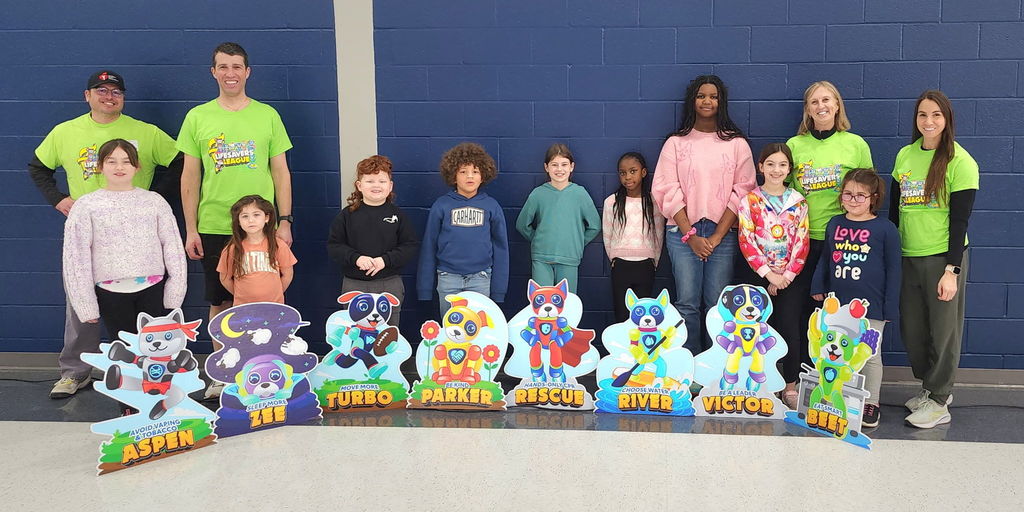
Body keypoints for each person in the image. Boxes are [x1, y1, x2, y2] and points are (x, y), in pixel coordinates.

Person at [29, 70, 182, 399]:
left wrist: (153, 196)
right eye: (101, 90)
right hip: (89, 229)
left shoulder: (145, 132)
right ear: (88, 95)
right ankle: (75, 371)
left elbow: (180, 161)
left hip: (136, 236)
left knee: (141, 311)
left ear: (123, 97)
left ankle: (149, 374)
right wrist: (58, 199)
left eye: (116, 92)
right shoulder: (65, 132)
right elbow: (38, 167)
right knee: (80, 301)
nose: (109, 96)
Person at [176, 42, 295, 398]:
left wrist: (285, 220)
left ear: (248, 72)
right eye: (223, 67)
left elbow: (281, 171)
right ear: (213, 72)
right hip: (214, 224)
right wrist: (191, 228)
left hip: (263, 227)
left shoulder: (267, 115)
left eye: (237, 66)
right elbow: (190, 176)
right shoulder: (197, 117)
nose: (231, 73)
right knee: (221, 300)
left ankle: (264, 367)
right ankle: (223, 372)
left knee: (264, 298)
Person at [892, 90, 979, 429]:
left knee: (943, 332)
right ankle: (929, 388)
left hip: (942, 258)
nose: (929, 121)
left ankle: (940, 399)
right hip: (908, 257)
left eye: (936, 115)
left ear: (947, 120)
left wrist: (951, 270)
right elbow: (895, 214)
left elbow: (960, 221)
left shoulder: (961, 161)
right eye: (922, 115)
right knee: (913, 330)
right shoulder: (905, 155)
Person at [652, 75, 756, 354]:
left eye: (713, 96)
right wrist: (691, 235)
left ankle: (716, 365)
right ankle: (689, 365)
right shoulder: (676, 143)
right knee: (686, 303)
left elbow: (743, 190)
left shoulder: (737, 144)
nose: (707, 101)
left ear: (721, 101)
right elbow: (665, 188)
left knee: (718, 304)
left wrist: (718, 236)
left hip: (723, 233)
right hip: (683, 233)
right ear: (692, 100)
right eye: (701, 96)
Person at [62, 139, 187, 366]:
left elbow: (173, 247)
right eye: (112, 161)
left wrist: (175, 292)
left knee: (157, 351)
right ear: (100, 166)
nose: (119, 167)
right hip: (110, 291)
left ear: (137, 166)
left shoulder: (154, 202)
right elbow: (76, 258)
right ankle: (126, 390)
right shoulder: (86, 206)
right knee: (125, 353)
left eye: (126, 161)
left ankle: (156, 389)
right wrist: (85, 304)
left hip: (152, 288)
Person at [786, 80, 873, 382]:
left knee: (839, 315)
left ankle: (838, 381)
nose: (821, 106)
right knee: (801, 313)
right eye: (814, 102)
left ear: (837, 105)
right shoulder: (795, 146)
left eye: (826, 100)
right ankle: (799, 379)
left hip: (844, 242)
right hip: (803, 242)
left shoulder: (856, 145)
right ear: (807, 110)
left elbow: (868, 193)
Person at [810, 168, 900, 428]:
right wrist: (818, 285)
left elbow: (894, 270)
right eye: (848, 194)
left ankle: (871, 402)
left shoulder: (886, 229)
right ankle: (837, 395)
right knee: (836, 352)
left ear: (874, 198)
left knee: (870, 355)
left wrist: (890, 307)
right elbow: (826, 258)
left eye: (861, 195)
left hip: (872, 306)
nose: (853, 200)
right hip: (838, 306)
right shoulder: (835, 223)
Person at [735, 143, 810, 408]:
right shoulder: (750, 201)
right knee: (757, 330)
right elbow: (746, 239)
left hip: (790, 277)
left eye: (782, 165)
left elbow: (802, 241)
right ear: (760, 167)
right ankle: (761, 384)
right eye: (770, 164)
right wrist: (769, 275)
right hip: (759, 276)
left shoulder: (798, 202)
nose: (776, 170)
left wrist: (786, 276)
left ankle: (789, 385)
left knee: (789, 327)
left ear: (789, 169)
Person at [417, 143, 509, 316]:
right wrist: (424, 288)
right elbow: (429, 246)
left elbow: (501, 249)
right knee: (451, 327)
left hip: (481, 278)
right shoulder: (441, 205)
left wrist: (499, 291)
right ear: (453, 176)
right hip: (448, 278)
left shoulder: (491, 206)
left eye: (475, 171)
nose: (470, 176)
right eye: (463, 171)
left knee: (479, 327)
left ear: (483, 175)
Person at [328, 155, 418, 326]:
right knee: (355, 333)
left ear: (390, 186)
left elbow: (409, 246)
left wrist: (385, 260)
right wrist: (356, 258)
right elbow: (334, 246)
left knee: (388, 334)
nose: (376, 185)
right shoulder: (347, 215)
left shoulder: (398, 215)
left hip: (389, 283)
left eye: (382, 181)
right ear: (359, 185)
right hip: (354, 284)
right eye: (370, 181)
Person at [515, 143, 601, 293]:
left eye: (564, 164)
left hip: (569, 257)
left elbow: (595, 226)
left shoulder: (580, 194)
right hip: (541, 258)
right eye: (554, 165)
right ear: (546, 167)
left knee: (567, 302)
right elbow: (522, 225)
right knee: (542, 300)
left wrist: (577, 242)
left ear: (572, 167)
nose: (559, 169)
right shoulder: (538, 194)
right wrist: (537, 240)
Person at [602, 151, 664, 323]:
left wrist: (654, 260)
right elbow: (607, 233)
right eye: (623, 173)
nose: (627, 177)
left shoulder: (653, 202)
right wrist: (614, 257)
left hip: (645, 265)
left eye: (632, 171)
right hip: (621, 265)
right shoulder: (611, 202)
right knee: (622, 315)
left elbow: (659, 234)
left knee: (642, 316)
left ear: (643, 172)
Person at [217, 195, 297, 306]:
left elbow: (288, 275)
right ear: (238, 221)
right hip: (243, 307)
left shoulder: (278, 245)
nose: (251, 220)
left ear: (266, 218)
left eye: (256, 215)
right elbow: (225, 279)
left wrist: (276, 295)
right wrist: (241, 296)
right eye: (245, 216)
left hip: (273, 306)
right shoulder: (232, 249)